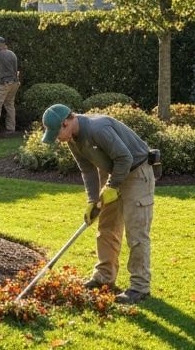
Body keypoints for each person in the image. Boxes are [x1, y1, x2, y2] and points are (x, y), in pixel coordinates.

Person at [41, 103, 155, 305]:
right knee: (106, 228)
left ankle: (139, 287)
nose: (58, 139)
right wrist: (92, 200)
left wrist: (112, 187)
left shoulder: (97, 128)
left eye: (57, 133)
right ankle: (104, 276)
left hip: (137, 172)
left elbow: (125, 158)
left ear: (66, 123)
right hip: (113, 173)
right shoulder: (73, 139)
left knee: (136, 232)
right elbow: (88, 171)